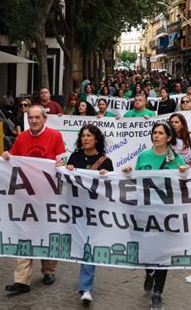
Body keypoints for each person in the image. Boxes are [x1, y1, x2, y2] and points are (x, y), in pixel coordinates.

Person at [122, 121, 187, 309]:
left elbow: (182, 188)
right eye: (154, 132)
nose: (156, 136)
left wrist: (184, 175)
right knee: (144, 249)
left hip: (165, 214)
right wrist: (129, 172)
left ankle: (158, 292)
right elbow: (136, 182)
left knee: (163, 253)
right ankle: (149, 270)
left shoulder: (177, 160)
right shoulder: (143, 157)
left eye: (160, 133)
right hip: (143, 211)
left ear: (168, 138)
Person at [3, 105, 65, 294]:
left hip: (48, 195)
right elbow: (13, 159)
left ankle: (48, 270)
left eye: (37, 117)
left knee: (47, 233)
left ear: (45, 119)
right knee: (25, 234)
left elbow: (62, 161)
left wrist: (61, 164)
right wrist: (6, 157)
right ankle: (22, 280)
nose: (34, 121)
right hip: (26, 195)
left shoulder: (55, 136)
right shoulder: (21, 138)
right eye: (31, 118)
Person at [66, 125, 113, 305]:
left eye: (89, 136)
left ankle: (86, 287)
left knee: (89, 247)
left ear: (96, 139)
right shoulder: (74, 157)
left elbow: (110, 188)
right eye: (83, 136)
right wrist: (67, 170)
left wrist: (106, 176)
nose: (85, 139)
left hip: (94, 212)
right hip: (75, 210)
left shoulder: (105, 162)